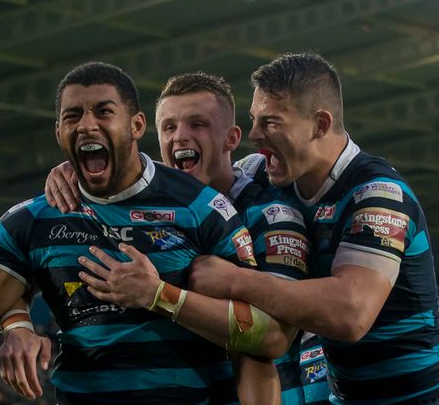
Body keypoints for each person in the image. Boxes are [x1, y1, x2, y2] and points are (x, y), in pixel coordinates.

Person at [0, 62, 293, 405]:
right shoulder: (30, 221)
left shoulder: (203, 208)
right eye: (73, 116)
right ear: (58, 131)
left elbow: (264, 338)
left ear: (135, 126)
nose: (87, 124)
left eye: (103, 112)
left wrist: (159, 296)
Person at [16, 72, 330, 404]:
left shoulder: (269, 216)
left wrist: (175, 292)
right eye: (168, 127)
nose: (180, 137)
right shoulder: (149, 212)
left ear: (231, 138)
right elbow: (10, 265)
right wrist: (15, 322)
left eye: (198, 124)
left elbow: (272, 336)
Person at [189, 52, 439, 404]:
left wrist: (236, 281)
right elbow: (204, 186)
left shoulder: (377, 193)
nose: (254, 134)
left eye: (271, 122)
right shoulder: (261, 173)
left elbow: (350, 314)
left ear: (320, 124)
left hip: (420, 397)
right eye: (253, 120)